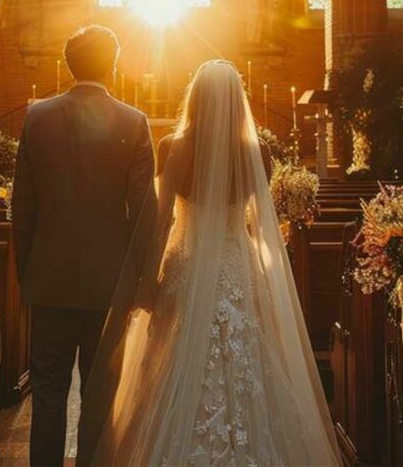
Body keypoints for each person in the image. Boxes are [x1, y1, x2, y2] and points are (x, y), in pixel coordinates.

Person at [82, 60, 342, 466]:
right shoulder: (258, 152)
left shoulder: (174, 147)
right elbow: (261, 226)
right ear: (238, 102)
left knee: (175, 364)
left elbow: (162, 216)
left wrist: (148, 280)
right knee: (249, 358)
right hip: (239, 265)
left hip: (186, 265)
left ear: (196, 97)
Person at [11, 25, 156, 467]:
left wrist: (27, 273)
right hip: (108, 285)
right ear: (112, 64)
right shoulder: (133, 121)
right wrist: (140, 283)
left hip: (50, 280)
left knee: (49, 390)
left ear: (68, 64)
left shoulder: (37, 117)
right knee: (99, 395)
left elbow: (23, 204)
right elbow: (143, 213)